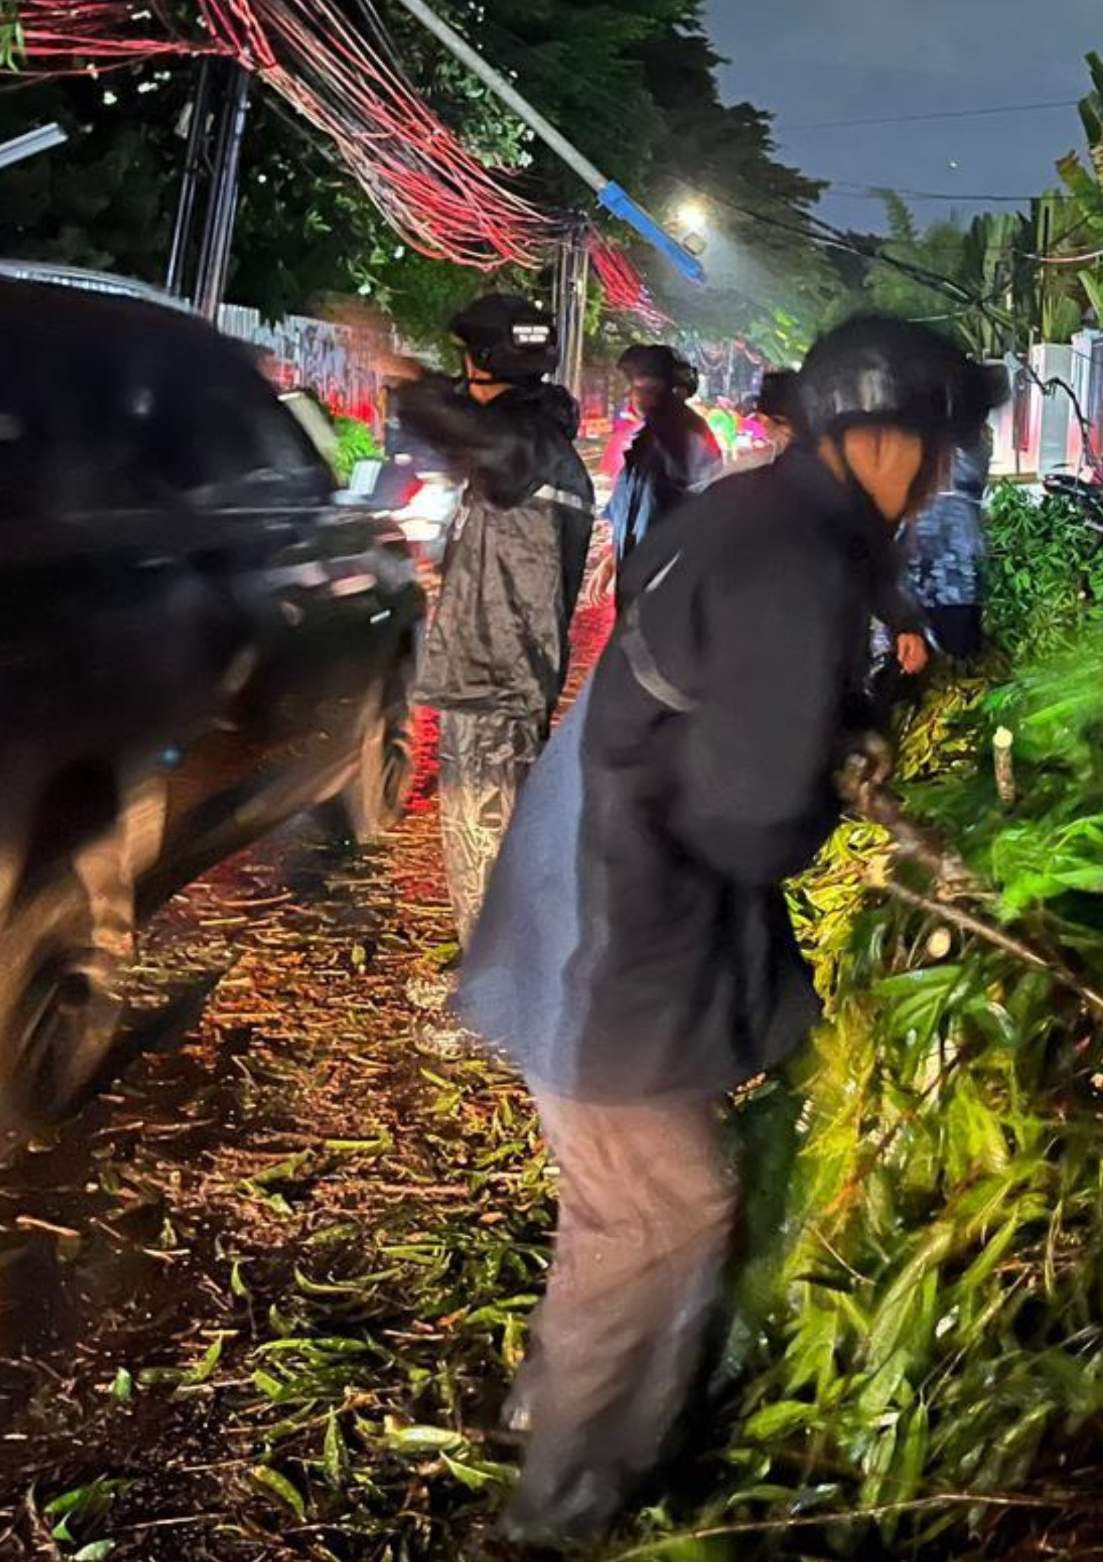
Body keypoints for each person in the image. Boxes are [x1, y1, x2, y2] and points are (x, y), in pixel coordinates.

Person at [454, 315, 1004, 1549]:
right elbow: (755, 825)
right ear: (875, 438)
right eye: (927, 446)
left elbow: (739, 702)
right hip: (617, 912)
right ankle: (561, 1511)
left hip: (600, 865)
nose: (933, 474)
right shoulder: (791, 559)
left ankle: (549, 1411)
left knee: (630, 1198)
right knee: (656, 1214)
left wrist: (839, 720)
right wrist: (819, 774)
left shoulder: (773, 516)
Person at [390, 294, 595, 962]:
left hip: (498, 682)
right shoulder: (539, 432)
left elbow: (464, 430)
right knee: (488, 844)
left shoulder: (525, 447)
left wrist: (411, 385)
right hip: (498, 676)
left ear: (483, 363)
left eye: (466, 362)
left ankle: (499, 1008)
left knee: (490, 850)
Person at [603, 343, 721, 578]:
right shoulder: (647, 441)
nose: (632, 395)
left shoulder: (685, 439)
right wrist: (612, 558)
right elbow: (629, 509)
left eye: (641, 385)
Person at [900, 426, 991, 661]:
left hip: (955, 579)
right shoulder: (909, 445)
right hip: (929, 576)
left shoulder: (968, 445)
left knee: (957, 654)